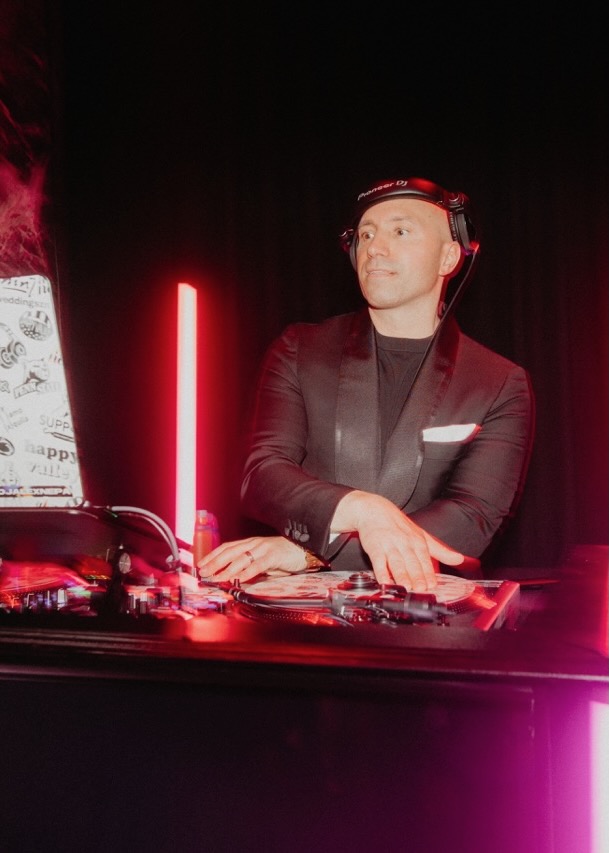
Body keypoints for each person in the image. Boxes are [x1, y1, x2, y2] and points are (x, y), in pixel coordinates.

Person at [198, 177, 535, 592]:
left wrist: (310, 551)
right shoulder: (300, 349)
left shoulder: (499, 381)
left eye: (400, 231)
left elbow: (474, 516)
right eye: (367, 234)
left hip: (432, 611)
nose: (375, 247)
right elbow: (263, 474)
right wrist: (360, 509)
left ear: (449, 256)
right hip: (304, 612)